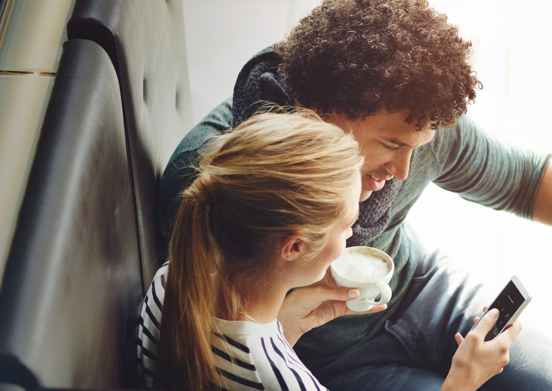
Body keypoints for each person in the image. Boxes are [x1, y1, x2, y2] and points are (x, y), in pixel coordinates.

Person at [154, 0, 552, 391]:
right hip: (325, 360)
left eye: (417, 148)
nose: (402, 171)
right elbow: (231, 347)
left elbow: (525, 178)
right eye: (393, 145)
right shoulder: (222, 186)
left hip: (419, 288)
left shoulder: (409, 123)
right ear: (322, 112)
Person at [136, 111, 518, 391]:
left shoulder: (169, 281)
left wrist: (286, 328)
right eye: (348, 225)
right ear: (296, 247)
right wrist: (462, 382)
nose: (354, 234)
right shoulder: (288, 380)